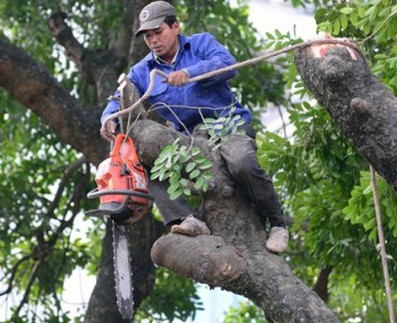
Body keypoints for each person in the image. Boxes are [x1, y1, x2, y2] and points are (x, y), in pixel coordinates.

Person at [99, 1, 289, 253]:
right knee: (145, 162)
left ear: (175, 27)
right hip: (186, 137)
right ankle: (187, 219)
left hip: (226, 124)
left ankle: (277, 223)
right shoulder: (142, 71)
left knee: (242, 162)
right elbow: (119, 97)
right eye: (148, 36)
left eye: (158, 32)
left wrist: (191, 71)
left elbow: (226, 63)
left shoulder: (200, 44)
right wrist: (109, 118)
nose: (153, 40)